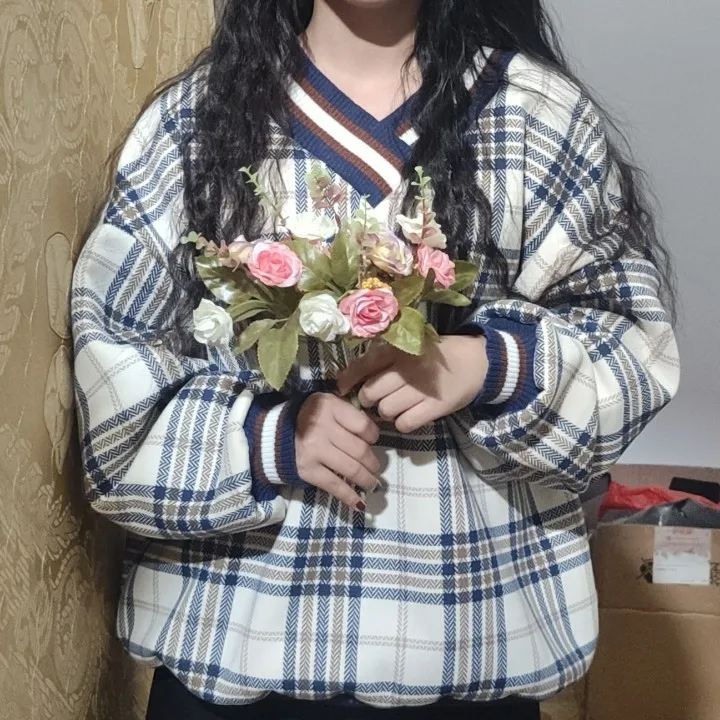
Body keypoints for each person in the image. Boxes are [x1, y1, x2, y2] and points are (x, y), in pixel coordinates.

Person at [71, 1, 680, 718]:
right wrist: (268, 439)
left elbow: (633, 350)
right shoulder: (195, 122)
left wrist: (490, 364)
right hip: (232, 652)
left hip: (472, 645)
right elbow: (114, 371)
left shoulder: (536, 115)